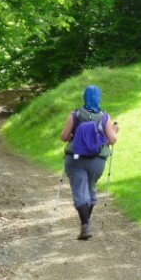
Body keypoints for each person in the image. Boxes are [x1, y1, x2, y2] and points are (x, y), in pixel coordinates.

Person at [59, 85, 119, 240]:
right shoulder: (104, 117)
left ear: (84, 97)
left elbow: (64, 137)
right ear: (98, 98)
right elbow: (112, 140)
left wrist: (73, 134)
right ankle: (86, 223)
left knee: (80, 191)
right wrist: (115, 131)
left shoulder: (75, 115)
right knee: (91, 189)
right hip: (97, 160)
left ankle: (85, 225)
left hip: (75, 159)